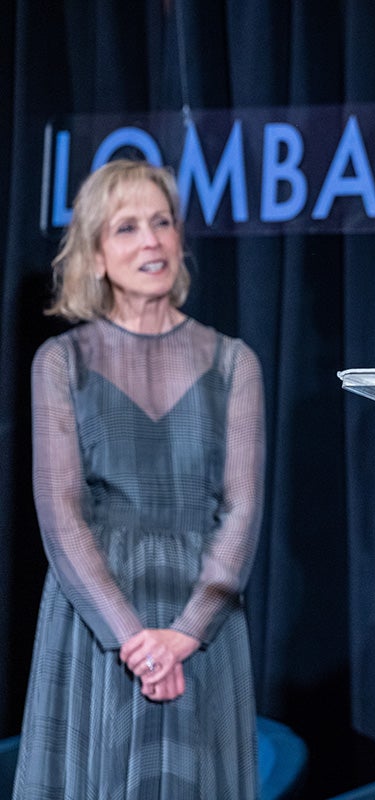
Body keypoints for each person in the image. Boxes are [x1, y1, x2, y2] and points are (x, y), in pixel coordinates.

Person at [14, 159, 265, 798]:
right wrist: (134, 640)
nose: (150, 240)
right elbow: (59, 510)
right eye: (127, 228)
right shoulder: (59, 363)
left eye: (162, 223)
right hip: (98, 619)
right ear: (96, 256)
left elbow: (243, 507)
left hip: (202, 619)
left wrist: (185, 634)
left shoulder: (234, 361)